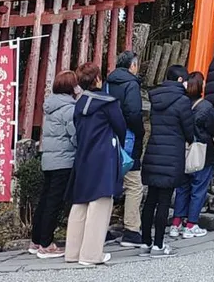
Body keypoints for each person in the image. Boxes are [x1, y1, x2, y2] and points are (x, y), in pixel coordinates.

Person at [65, 62, 125, 266]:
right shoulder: (108, 102)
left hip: (83, 155)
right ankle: (91, 255)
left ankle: (73, 252)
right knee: (100, 203)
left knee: (80, 203)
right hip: (103, 157)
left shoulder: (79, 103)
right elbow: (121, 128)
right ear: (98, 79)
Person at [140, 64, 195, 257]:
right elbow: (189, 131)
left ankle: (145, 242)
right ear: (180, 80)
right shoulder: (183, 101)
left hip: (154, 151)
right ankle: (158, 245)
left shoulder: (155, 98)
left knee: (150, 200)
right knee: (164, 201)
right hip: (172, 155)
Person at [168, 71, 214, 239]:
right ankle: (191, 224)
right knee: (198, 189)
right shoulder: (206, 107)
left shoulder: (180, 104)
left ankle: (176, 223)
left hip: (182, 152)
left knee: (182, 188)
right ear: (201, 86)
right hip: (202, 154)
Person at [31, 70, 77, 258]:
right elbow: (75, 135)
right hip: (64, 160)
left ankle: (36, 240)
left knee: (45, 200)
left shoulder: (51, 105)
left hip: (49, 159)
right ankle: (46, 244)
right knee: (54, 203)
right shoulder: (69, 109)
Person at [106, 50, 147, 248]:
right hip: (128, 140)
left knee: (108, 183)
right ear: (133, 65)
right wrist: (140, 132)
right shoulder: (131, 84)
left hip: (108, 138)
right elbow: (133, 113)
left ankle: (101, 228)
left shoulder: (108, 82)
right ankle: (131, 230)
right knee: (134, 184)